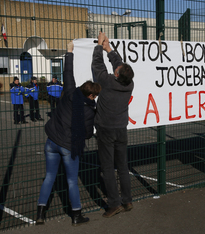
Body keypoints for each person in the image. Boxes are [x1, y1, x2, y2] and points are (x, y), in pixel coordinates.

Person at [36, 41, 101, 226]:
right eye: (95, 96)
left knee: (49, 176)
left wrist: (69, 52)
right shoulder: (89, 110)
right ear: (91, 96)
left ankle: (40, 213)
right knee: (72, 180)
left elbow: (68, 72)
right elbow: (87, 133)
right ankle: (76, 215)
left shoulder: (71, 91)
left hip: (51, 141)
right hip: (68, 145)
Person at [91, 32, 134, 217]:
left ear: (116, 74)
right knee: (123, 166)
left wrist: (99, 46)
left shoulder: (106, 81)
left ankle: (114, 204)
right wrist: (109, 48)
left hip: (106, 129)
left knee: (108, 167)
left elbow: (97, 65)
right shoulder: (129, 83)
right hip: (121, 128)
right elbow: (120, 66)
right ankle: (127, 200)